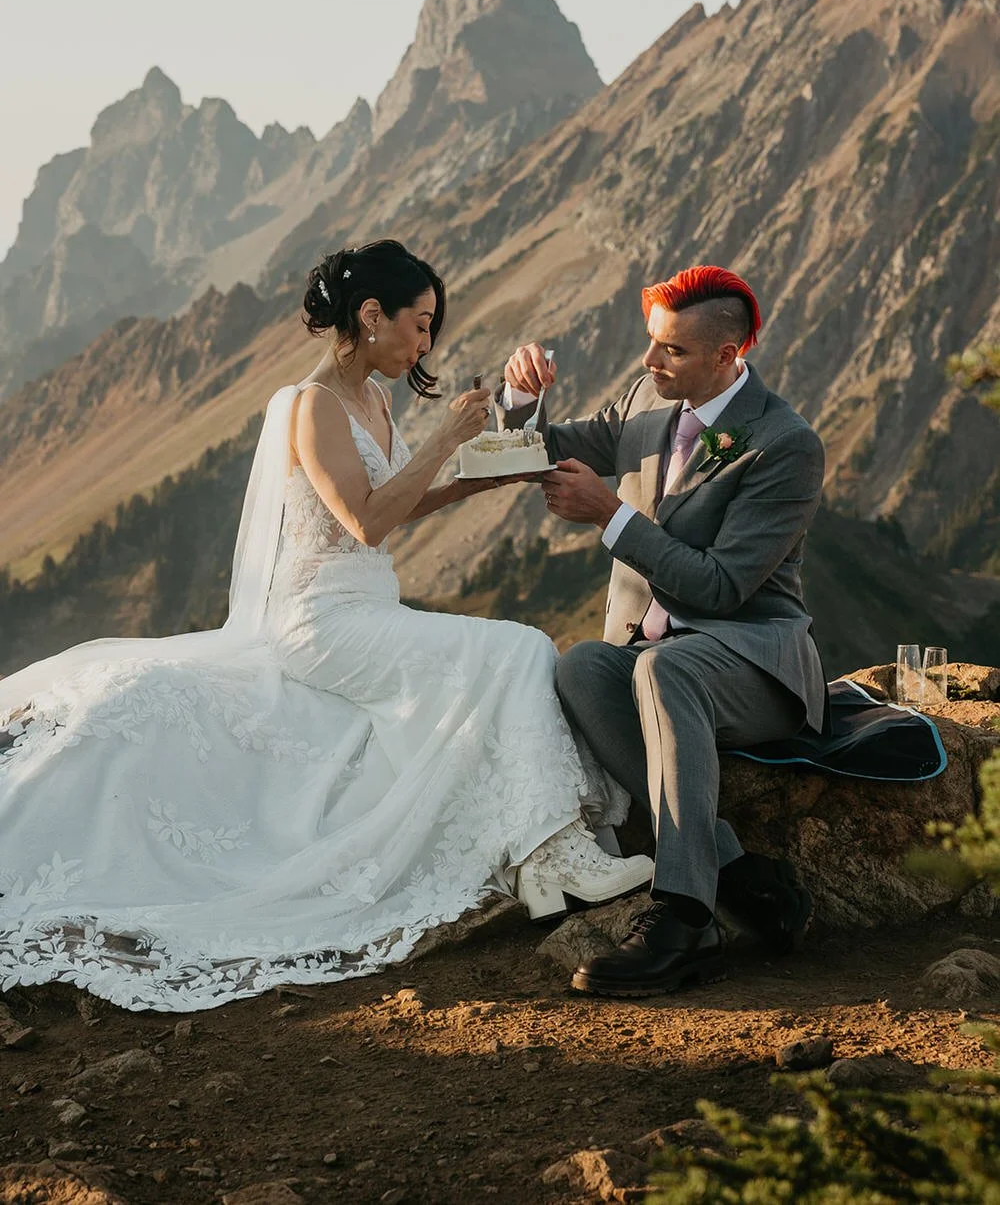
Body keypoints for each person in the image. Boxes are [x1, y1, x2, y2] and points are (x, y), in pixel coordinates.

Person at [0, 239, 651, 1012]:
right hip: (316, 618)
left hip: (365, 604)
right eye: (419, 323)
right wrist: (445, 436)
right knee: (514, 647)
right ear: (371, 315)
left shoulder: (374, 399)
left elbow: (398, 506)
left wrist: (475, 482)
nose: (425, 343)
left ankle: (547, 860)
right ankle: (551, 854)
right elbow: (365, 520)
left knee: (504, 652)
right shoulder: (308, 405)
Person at [500, 265, 824, 998]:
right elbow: (540, 446)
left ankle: (684, 919)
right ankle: (738, 872)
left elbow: (719, 587)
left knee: (661, 670)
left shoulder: (785, 444)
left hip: (753, 664)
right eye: (652, 345)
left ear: (728, 356)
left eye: (671, 351)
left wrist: (609, 514)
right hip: (657, 657)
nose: (650, 363)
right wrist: (522, 398)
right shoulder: (651, 398)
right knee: (581, 665)